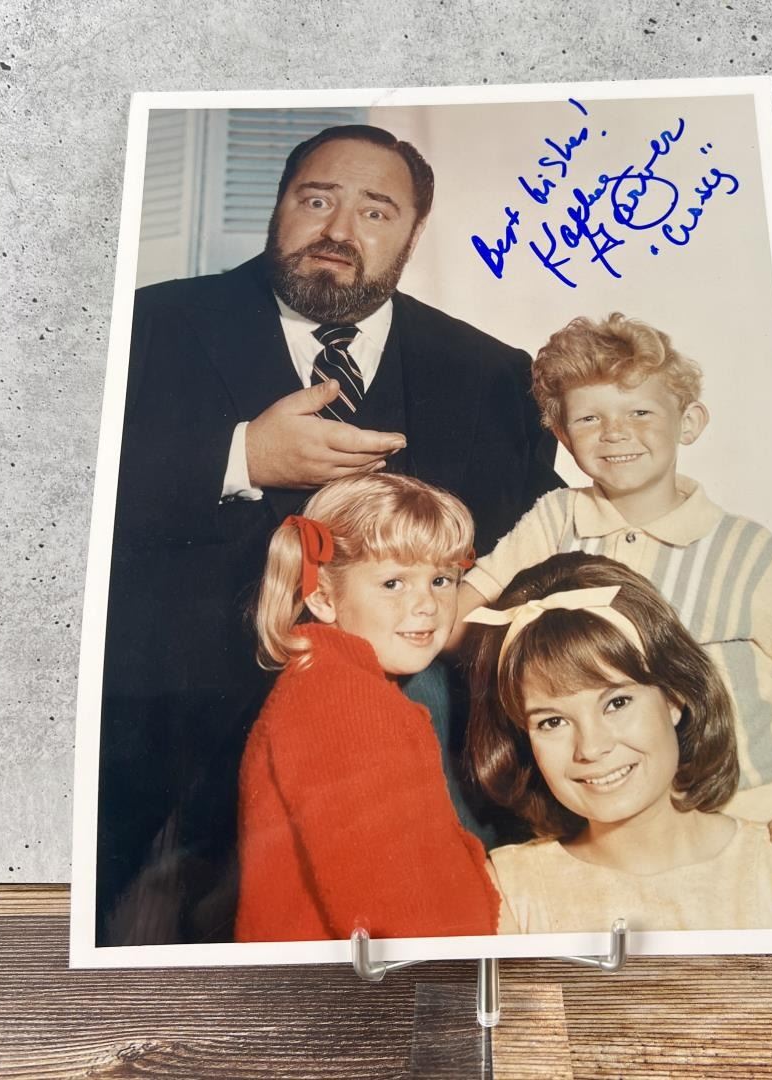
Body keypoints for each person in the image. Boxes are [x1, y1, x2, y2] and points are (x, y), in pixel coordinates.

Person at [97, 124, 557, 944]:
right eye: (316, 200)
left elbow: (542, 544)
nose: (339, 231)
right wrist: (241, 456)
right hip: (153, 785)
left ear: (414, 233)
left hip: (414, 785)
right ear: (279, 206)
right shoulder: (141, 327)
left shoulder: (491, 373)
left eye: (376, 212)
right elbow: (35, 510)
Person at [455, 313, 772, 893]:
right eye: (589, 418)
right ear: (562, 437)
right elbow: (464, 612)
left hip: (759, 812)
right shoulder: (556, 520)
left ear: (689, 422)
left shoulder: (747, 552)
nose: (614, 433)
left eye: (639, 412)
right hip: (620, 824)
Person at [463, 553, 772, 933]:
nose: (591, 748)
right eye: (553, 722)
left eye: (617, 703)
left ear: (674, 697)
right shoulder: (508, 891)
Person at [235, 474, 499, 941]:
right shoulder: (345, 703)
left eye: (441, 580)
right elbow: (408, 923)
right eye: (393, 583)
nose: (427, 605)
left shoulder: (332, 681)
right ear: (322, 596)